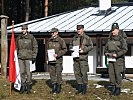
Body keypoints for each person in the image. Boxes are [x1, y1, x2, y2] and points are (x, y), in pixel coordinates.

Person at [104, 23, 128, 96]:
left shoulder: (121, 39)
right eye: (112, 30)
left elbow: (125, 49)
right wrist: (106, 53)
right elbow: (105, 49)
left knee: (117, 74)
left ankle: (118, 88)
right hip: (111, 59)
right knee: (111, 74)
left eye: (114, 30)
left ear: (117, 30)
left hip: (118, 60)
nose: (113, 32)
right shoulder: (109, 39)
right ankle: (113, 87)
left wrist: (117, 54)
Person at [70, 25, 93, 94]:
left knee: (84, 74)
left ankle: (84, 89)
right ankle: (79, 88)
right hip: (76, 58)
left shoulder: (87, 38)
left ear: (83, 29)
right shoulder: (74, 38)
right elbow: (70, 46)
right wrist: (72, 49)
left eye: (79, 29)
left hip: (83, 59)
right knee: (77, 73)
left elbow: (91, 46)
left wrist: (84, 50)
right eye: (77, 29)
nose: (78, 31)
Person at [16, 25, 38, 94]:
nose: (23, 30)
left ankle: (28, 86)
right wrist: (15, 55)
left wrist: (34, 56)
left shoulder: (31, 37)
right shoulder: (19, 37)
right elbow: (16, 47)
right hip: (20, 57)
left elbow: (35, 47)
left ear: (27, 30)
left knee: (28, 73)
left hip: (29, 57)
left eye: (24, 29)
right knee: (22, 72)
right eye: (22, 29)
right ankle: (23, 86)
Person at [46, 28, 67, 94]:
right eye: (52, 32)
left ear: (57, 32)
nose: (53, 34)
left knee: (58, 74)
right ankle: (54, 87)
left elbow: (65, 49)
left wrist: (58, 54)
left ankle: (58, 87)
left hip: (58, 60)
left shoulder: (61, 40)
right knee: (52, 74)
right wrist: (47, 59)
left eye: (54, 32)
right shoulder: (49, 40)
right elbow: (47, 51)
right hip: (51, 61)